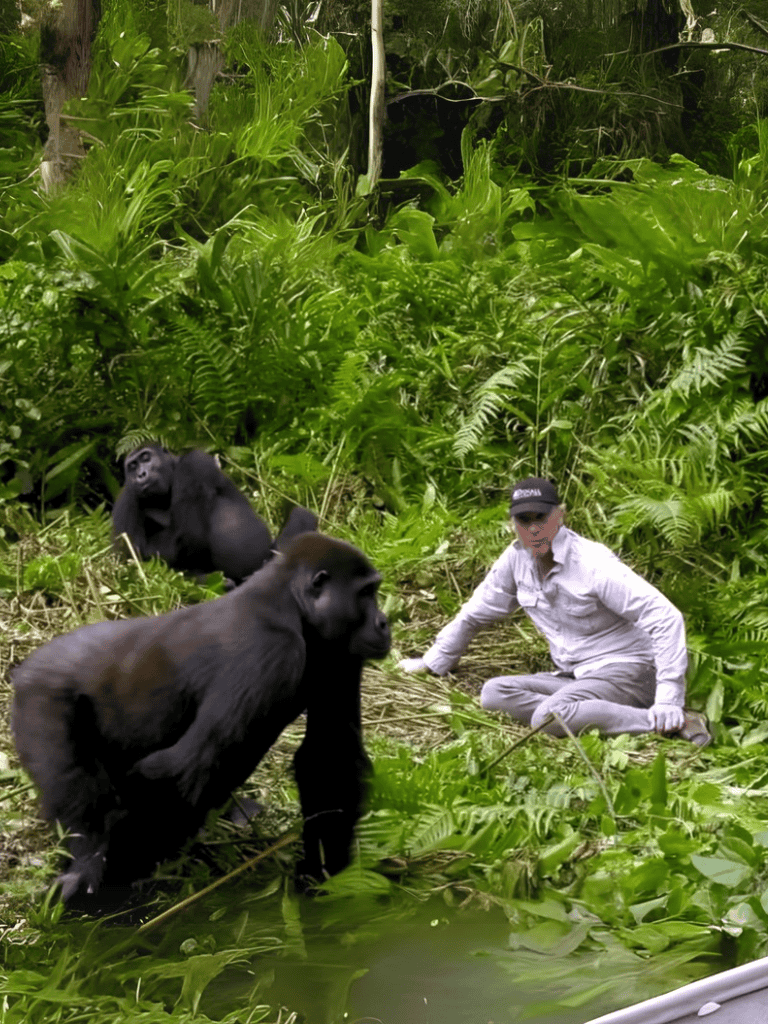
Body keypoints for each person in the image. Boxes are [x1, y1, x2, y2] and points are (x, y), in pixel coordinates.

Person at [400, 477, 710, 746]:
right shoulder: (515, 559)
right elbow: (476, 612)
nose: (533, 529)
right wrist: (434, 661)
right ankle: (587, 713)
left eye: (541, 518)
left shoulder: (592, 564)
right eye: (524, 520)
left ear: (560, 516)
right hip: (577, 676)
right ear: (512, 522)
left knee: (548, 717)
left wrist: (668, 697)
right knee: (493, 693)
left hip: (630, 670)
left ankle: (676, 721)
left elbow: (664, 616)